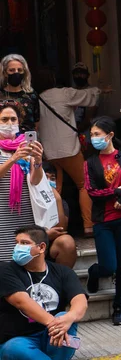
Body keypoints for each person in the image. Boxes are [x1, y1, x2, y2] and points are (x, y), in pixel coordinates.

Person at [0, 225, 100, 360]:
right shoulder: (6, 270)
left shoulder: (62, 272)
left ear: (42, 247)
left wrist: (68, 318)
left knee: (66, 317)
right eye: (16, 243)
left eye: (24, 243)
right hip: (20, 341)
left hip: (53, 338)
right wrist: (53, 323)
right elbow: (21, 301)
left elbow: (80, 301)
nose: (18, 248)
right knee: (13, 349)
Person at [84, 116, 121, 326]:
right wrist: (116, 191)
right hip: (103, 221)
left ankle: (120, 308)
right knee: (108, 265)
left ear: (110, 136)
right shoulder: (90, 163)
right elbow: (92, 191)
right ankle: (94, 271)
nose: (94, 138)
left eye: (97, 134)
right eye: (92, 135)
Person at [37, 67, 103, 236]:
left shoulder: (36, 99)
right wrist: (99, 90)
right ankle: (88, 225)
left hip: (48, 151)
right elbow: (88, 97)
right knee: (83, 185)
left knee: (52, 189)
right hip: (68, 149)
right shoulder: (63, 93)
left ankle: (56, 227)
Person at [0, 101, 45, 262]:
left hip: (26, 213)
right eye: (4, 120)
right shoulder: (18, 152)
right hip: (2, 214)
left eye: (13, 119)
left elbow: (35, 179)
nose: (9, 123)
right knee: (4, 259)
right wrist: (14, 158)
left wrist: (38, 160)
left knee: (26, 258)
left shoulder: (26, 146)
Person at [43, 162, 77, 269]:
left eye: (52, 178)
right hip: (32, 244)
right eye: (45, 177)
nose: (49, 181)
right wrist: (44, 235)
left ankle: (61, 280)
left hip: (51, 246)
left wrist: (57, 199)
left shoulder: (61, 202)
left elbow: (61, 229)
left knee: (67, 242)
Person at [0, 54, 40, 132]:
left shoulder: (31, 95)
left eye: (20, 70)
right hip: (4, 141)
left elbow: (36, 122)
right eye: (11, 70)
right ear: (4, 73)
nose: (16, 73)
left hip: (27, 141)